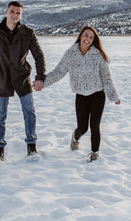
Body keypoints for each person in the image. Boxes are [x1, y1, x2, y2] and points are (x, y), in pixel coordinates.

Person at [0, 1, 46, 160]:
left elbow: (39, 56)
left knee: (29, 112)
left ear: (21, 15)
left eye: (18, 13)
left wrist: (40, 77)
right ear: (6, 11)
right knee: (0, 115)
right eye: (12, 12)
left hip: (22, 77)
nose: (14, 15)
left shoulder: (28, 33)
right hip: (1, 79)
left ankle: (31, 146)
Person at [40, 25, 120, 162]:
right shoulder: (71, 53)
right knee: (83, 127)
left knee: (95, 126)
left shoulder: (98, 55)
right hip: (81, 95)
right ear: (80, 36)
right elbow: (59, 72)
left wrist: (114, 96)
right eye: (86, 35)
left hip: (98, 94)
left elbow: (106, 77)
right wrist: (43, 83)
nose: (88, 39)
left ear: (94, 40)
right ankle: (75, 137)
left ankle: (95, 153)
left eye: (91, 37)